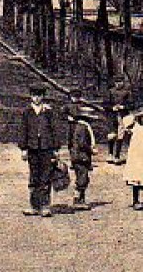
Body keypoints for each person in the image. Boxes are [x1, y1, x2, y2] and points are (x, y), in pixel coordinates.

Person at [19, 84, 61, 216]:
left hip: (46, 147)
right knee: (34, 176)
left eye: (39, 96)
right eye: (34, 95)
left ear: (43, 97)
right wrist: (23, 148)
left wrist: (55, 148)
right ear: (31, 97)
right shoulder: (27, 112)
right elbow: (23, 130)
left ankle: (45, 206)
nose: (36, 98)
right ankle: (34, 205)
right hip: (32, 148)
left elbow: (55, 130)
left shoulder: (49, 112)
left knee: (46, 177)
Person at [66, 104, 99, 209]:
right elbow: (82, 144)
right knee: (82, 178)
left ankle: (81, 199)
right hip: (81, 156)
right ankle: (77, 200)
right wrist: (91, 150)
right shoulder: (83, 128)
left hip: (78, 156)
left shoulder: (79, 126)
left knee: (82, 177)